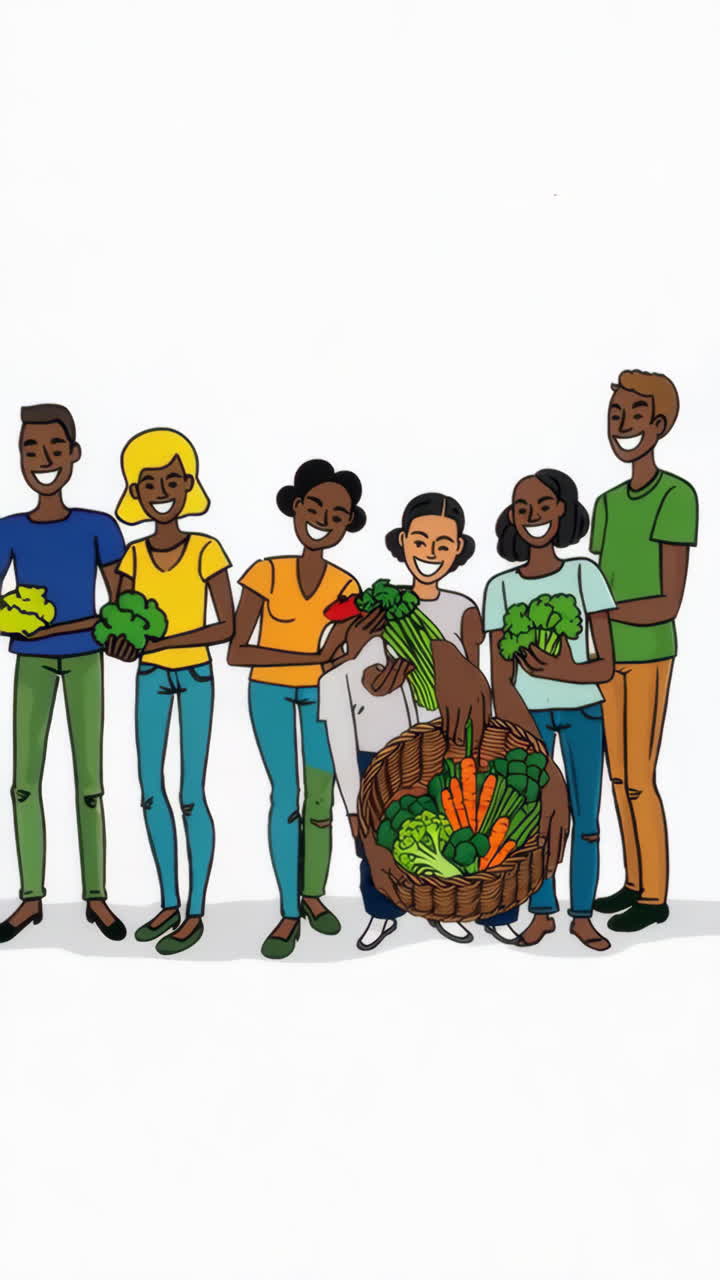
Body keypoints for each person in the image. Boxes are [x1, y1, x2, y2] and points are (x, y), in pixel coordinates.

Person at [320, 492, 521, 950]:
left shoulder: (464, 608)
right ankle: (381, 912)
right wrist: (372, 676)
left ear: (458, 551)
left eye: (443, 544)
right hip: (384, 738)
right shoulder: (379, 603)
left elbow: (473, 676)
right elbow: (344, 662)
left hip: (446, 736)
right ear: (403, 542)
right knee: (377, 828)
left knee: (450, 824)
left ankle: (441, 908)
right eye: (421, 540)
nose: (430, 553)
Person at [228, 459, 367, 960]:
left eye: (338, 514)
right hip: (269, 691)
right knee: (285, 795)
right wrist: (310, 656)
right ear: (295, 506)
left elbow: (347, 652)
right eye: (315, 507)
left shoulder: (347, 585)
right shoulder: (266, 572)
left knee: (321, 798)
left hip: (324, 697)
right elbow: (238, 650)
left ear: (348, 523)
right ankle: (288, 909)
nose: (323, 520)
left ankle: (314, 894)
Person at [0, 404, 127, 944]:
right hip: (29, 666)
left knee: (90, 784)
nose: (43, 460)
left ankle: (95, 896)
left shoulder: (98, 526)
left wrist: (53, 629)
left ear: (74, 454)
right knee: (24, 784)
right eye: (31, 450)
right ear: (20, 458)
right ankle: (31, 898)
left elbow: (120, 604)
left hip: (84, 661)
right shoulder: (8, 529)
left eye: (55, 449)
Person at [113, 428, 234, 955]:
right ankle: (166, 900)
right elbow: (114, 620)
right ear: (135, 493)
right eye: (148, 483)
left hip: (195, 676)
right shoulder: (132, 556)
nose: (161, 490)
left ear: (189, 484)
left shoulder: (207, 549)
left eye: (171, 479)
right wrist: (121, 642)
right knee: (148, 790)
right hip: (150, 679)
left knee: (190, 795)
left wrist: (164, 640)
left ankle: (196, 909)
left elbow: (226, 626)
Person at [484, 469, 615, 951]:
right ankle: (541, 912)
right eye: (522, 508)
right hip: (527, 720)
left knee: (586, 820)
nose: (532, 516)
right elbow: (499, 674)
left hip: (582, 712)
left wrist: (562, 671)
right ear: (511, 519)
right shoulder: (499, 586)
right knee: (533, 818)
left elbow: (606, 665)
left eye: (542, 505)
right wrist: (516, 728)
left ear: (562, 510)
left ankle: (582, 915)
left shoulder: (584, 574)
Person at [590, 371, 698, 933]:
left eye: (635, 415)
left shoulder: (677, 495)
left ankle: (654, 895)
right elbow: (595, 582)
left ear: (659, 425)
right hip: (607, 658)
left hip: (651, 653)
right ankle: (632, 882)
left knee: (639, 777)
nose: (623, 426)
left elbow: (668, 601)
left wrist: (602, 615)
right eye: (615, 415)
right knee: (616, 777)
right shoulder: (605, 504)